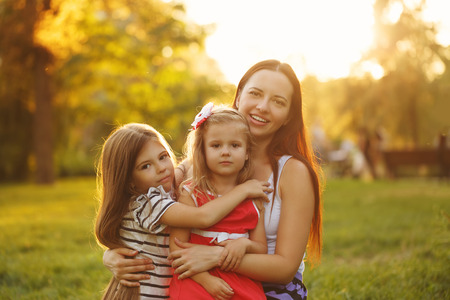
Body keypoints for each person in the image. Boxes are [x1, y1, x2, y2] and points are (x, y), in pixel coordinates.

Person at [103, 59, 324, 299]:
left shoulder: (293, 172)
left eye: (278, 102)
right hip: (201, 283)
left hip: (271, 291)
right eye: (255, 94)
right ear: (238, 97)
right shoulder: (195, 168)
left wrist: (216, 257)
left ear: (289, 116)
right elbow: (141, 205)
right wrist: (113, 254)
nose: (263, 106)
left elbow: (284, 270)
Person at [95, 123, 271, 299]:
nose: (161, 168)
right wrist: (243, 190)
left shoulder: (164, 192)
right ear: (128, 180)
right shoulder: (147, 203)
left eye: (163, 157)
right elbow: (204, 217)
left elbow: (188, 162)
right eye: (145, 166)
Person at [169, 105, 267, 299]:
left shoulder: (254, 199)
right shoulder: (191, 193)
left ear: (247, 152)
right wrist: (207, 281)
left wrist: (244, 245)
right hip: (197, 278)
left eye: (235, 145)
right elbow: (177, 248)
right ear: (203, 151)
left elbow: (261, 247)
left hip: (239, 280)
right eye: (216, 145)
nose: (225, 152)